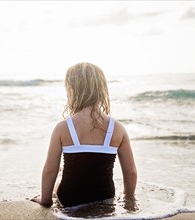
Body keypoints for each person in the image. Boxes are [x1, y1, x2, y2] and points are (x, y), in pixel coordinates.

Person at [31, 62, 137, 207]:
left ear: (72, 90)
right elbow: (130, 172)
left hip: (70, 200)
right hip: (105, 198)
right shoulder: (117, 128)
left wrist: (45, 200)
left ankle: (54, 192)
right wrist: (129, 199)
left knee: (60, 176)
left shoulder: (62, 128)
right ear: (102, 90)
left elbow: (49, 169)